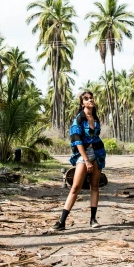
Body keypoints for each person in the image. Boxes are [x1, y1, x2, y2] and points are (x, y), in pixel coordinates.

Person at [53, 90, 106, 231]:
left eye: (91, 98)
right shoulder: (78, 119)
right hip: (84, 154)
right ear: (82, 103)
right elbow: (77, 141)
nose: (90, 100)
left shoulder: (95, 119)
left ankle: (93, 219)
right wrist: (87, 160)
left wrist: (94, 158)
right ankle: (62, 221)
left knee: (95, 186)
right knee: (75, 187)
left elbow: (96, 137)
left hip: (98, 153)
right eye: (87, 99)